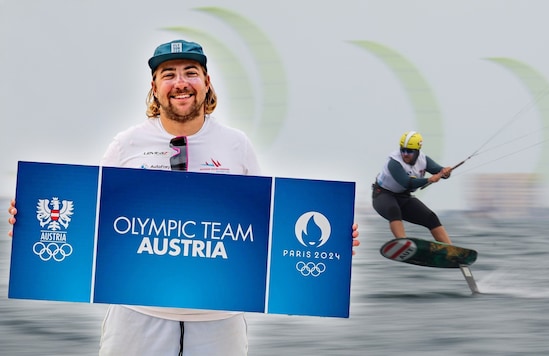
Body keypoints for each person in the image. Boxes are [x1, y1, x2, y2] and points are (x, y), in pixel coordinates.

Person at [7, 39, 360, 355]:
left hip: (218, 313)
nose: (180, 82)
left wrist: (337, 243)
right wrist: (29, 223)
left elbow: (268, 223)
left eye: (191, 72)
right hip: (137, 310)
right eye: (168, 74)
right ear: (155, 87)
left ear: (206, 83)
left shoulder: (236, 145)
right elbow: (90, 214)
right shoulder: (127, 144)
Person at [372, 131, 453, 244]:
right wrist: (428, 180)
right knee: (394, 211)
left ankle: (450, 250)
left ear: (417, 151)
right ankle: (402, 243)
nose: (405, 154)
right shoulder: (394, 162)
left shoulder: (423, 160)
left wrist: (446, 172)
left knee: (431, 218)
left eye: (409, 151)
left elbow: (441, 172)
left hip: (403, 197)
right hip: (383, 195)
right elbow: (407, 183)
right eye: (402, 150)